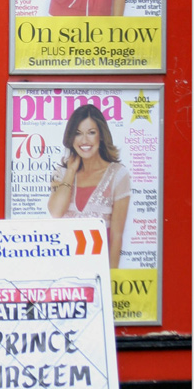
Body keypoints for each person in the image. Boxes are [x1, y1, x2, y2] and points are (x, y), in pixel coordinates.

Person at [48, 104, 130, 268]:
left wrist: (110, 279)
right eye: (78, 134)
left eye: (91, 133)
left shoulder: (118, 175)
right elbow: (56, 212)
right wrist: (71, 171)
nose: (84, 140)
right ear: (71, 138)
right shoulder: (62, 173)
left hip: (98, 268)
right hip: (63, 267)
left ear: (101, 135)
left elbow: (116, 235)